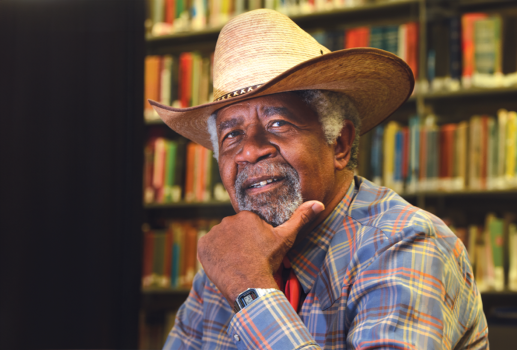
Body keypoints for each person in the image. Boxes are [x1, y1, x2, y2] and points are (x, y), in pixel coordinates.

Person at [149, 9, 488, 350]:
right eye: (231, 135)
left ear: (340, 143)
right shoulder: (230, 257)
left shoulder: (404, 242)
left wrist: (249, 288)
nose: (249, 152)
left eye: (278, 123)